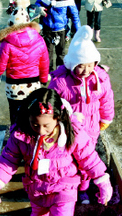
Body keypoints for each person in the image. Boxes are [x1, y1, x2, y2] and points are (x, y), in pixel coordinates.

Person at [0, 88, 113, 216]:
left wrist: (102, 181)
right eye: (35, 124)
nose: (41, 131)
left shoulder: (73, 133)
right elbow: (8, 160)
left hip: (64, 188)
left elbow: (89, 158)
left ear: (58, 117)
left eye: (46, 125)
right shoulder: (21, 135)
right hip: (36, 188)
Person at [48, 25, 114, 203]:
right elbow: (51, 102)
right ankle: (70, 187)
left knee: (86, 160)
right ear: (71, 64)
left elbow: (106, 99)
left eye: (89, 65)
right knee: (70, 160)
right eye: (80, 66)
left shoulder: (100, 79)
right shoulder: (61, 82)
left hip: (91, 128)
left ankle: (83, 189)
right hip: (69, 129)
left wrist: (106, 117)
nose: (85, 70)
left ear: (95, 63)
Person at [0, 7, 49, 123]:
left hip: (14, 88)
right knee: (31, 114)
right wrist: (44, 79)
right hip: (34, 86)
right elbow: (44, 64)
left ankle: (15, 137)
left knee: (15, 114)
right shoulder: (39, 40)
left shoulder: (7, 44)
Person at [34, 0, 81, 72]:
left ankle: (60, 71)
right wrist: (40, 8)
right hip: (48, 29)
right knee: (48, 53)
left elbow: (75, 16)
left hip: (61, 30)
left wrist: (78, 31)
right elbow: (36, 4)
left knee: (61, 53)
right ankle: (49, 72)